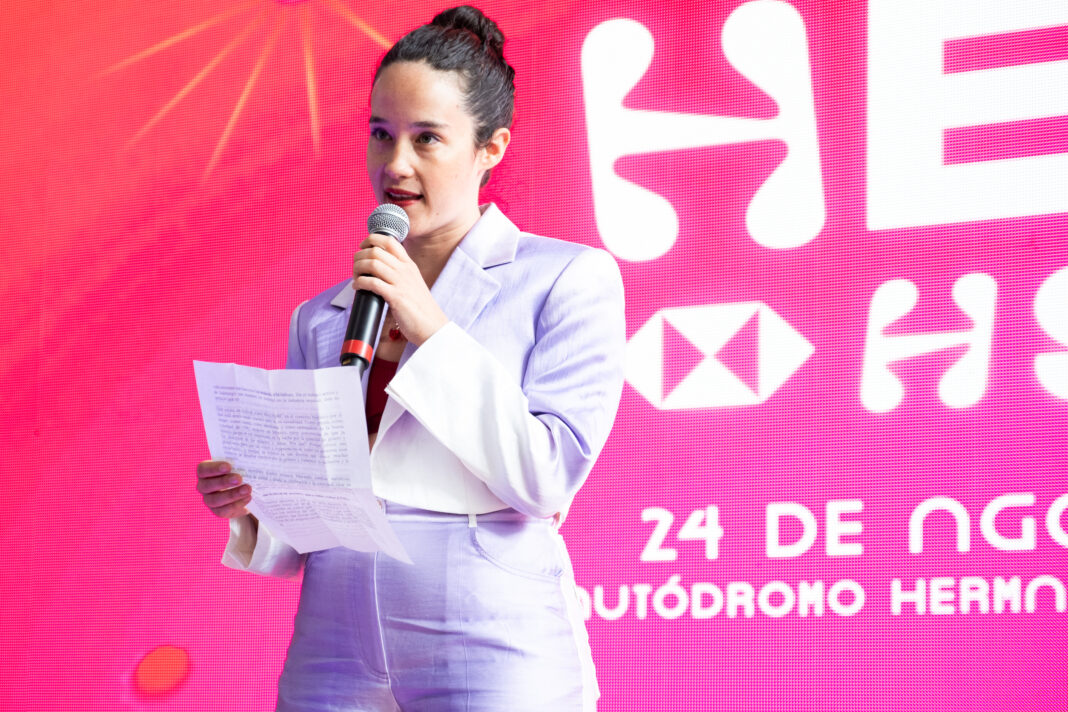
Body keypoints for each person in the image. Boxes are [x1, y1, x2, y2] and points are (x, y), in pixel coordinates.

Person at [196, 6, 625, 711]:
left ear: (491, 147)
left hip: (492, 637)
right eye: (381, 135)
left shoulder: (566, 279)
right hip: (334, 639)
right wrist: (251, 504)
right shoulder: (322, 316)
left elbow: (547, 476)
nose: (396, 165)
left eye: (428, 139)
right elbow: (311, 524)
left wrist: (429, 326)